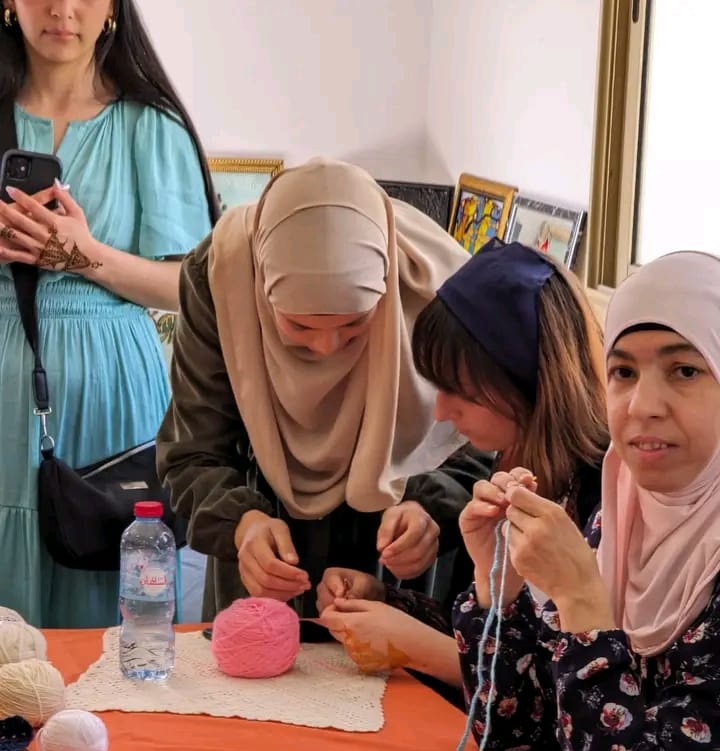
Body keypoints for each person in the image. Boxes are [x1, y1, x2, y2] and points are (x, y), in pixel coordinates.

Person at [447, 250, 720, 751]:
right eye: (622, 372)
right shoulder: (621, 509)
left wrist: (583, 602)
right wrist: (498, 587)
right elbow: (512, 730)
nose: (643, 406)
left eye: (685, 371)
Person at [156, 157, 489, 621]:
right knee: (254, 684)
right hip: (261, 551)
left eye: (355, 325)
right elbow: (193, 449)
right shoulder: (222, 277)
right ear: (261, 290)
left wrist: (431, 511)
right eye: (297, 326)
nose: (327, 347)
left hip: (397, 555)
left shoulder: (440, 286)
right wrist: (243, 525)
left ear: (387, 286)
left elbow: (486, 440)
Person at [0, 0, 215, 627]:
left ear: (115, 9)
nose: (63, 9)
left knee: (110, 571)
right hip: (7, 385)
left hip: (115, 390)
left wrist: (84, 257)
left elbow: (191, 288)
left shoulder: (151, 125)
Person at [318, 239, 607, 692]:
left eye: (462, 391)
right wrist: (388, 601)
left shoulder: (603, 498)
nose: (441, 412)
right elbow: (491, 629)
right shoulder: (513, 463)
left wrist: (414, 645)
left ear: (527, 380)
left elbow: (554, 695)